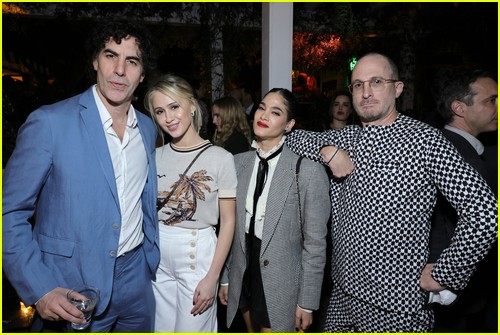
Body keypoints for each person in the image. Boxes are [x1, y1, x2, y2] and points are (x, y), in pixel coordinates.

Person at [285, 52, 498, 332]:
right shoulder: (347, 136)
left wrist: (447, 273)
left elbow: (485, 212)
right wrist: (327, 150)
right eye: (358, 85)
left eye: (376, 81)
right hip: (341, 297)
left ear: (397, 88)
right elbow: (293, 137)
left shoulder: (425, 140)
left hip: (396, 308)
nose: (366, 92)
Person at [2, 20, 160, 332]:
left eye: (132, 61)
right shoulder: (49, 123)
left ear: (142, 75)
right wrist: (41, 287)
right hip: (72, 287)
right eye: (110, 56)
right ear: (94, 61)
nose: (119, 70)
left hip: (137, 283)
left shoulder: (147, 127)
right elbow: (8, 212)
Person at [219, 88, 331, 332]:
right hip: (244, 271)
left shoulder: (307, 170)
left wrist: (308, 302)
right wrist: (226, 278)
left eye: (275, 111)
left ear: (289, 124)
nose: (264, 115)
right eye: (261, 107)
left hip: (281, 279)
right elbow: (229, 228)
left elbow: (315, 244)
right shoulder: (238, 163)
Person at [144, 74, 237, 332]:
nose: (168, 118)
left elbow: (229, 221)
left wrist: (213, 277)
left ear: (192, 106)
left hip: (198, 254)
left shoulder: (221, 158)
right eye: (160, 111)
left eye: (174, 107)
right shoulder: (154, 155)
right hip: (158, 254)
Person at [428, 68, 498, 332]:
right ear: (459, 107)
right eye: (491, 100)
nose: (497, 106)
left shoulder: (462, 148)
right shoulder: (455, 158)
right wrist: (441, 276)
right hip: (452, 296)